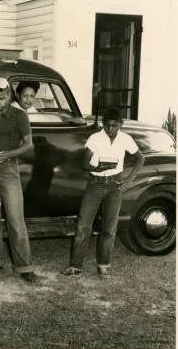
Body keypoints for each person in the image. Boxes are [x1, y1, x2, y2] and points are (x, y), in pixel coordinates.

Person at [61, 107, 144, 279]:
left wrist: (128, 182)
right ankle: (75, 266)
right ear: (103, 125)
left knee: (110, 228)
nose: (110, 129)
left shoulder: (126, 139)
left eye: (114, 126)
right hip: (95, 184)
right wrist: (96, 167)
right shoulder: (95, 137)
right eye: (107, 126)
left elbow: (140, 158)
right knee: (83, 226)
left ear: (121, 124)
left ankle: (104, 265)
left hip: (115, 185)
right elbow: (85, 162)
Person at [0, 77, 40, 283]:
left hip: (9, 170)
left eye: (1, 99)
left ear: (9, 96)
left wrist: (10, 154)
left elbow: (27, 144)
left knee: (15, 219)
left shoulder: (19, 116)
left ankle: (24, 267)